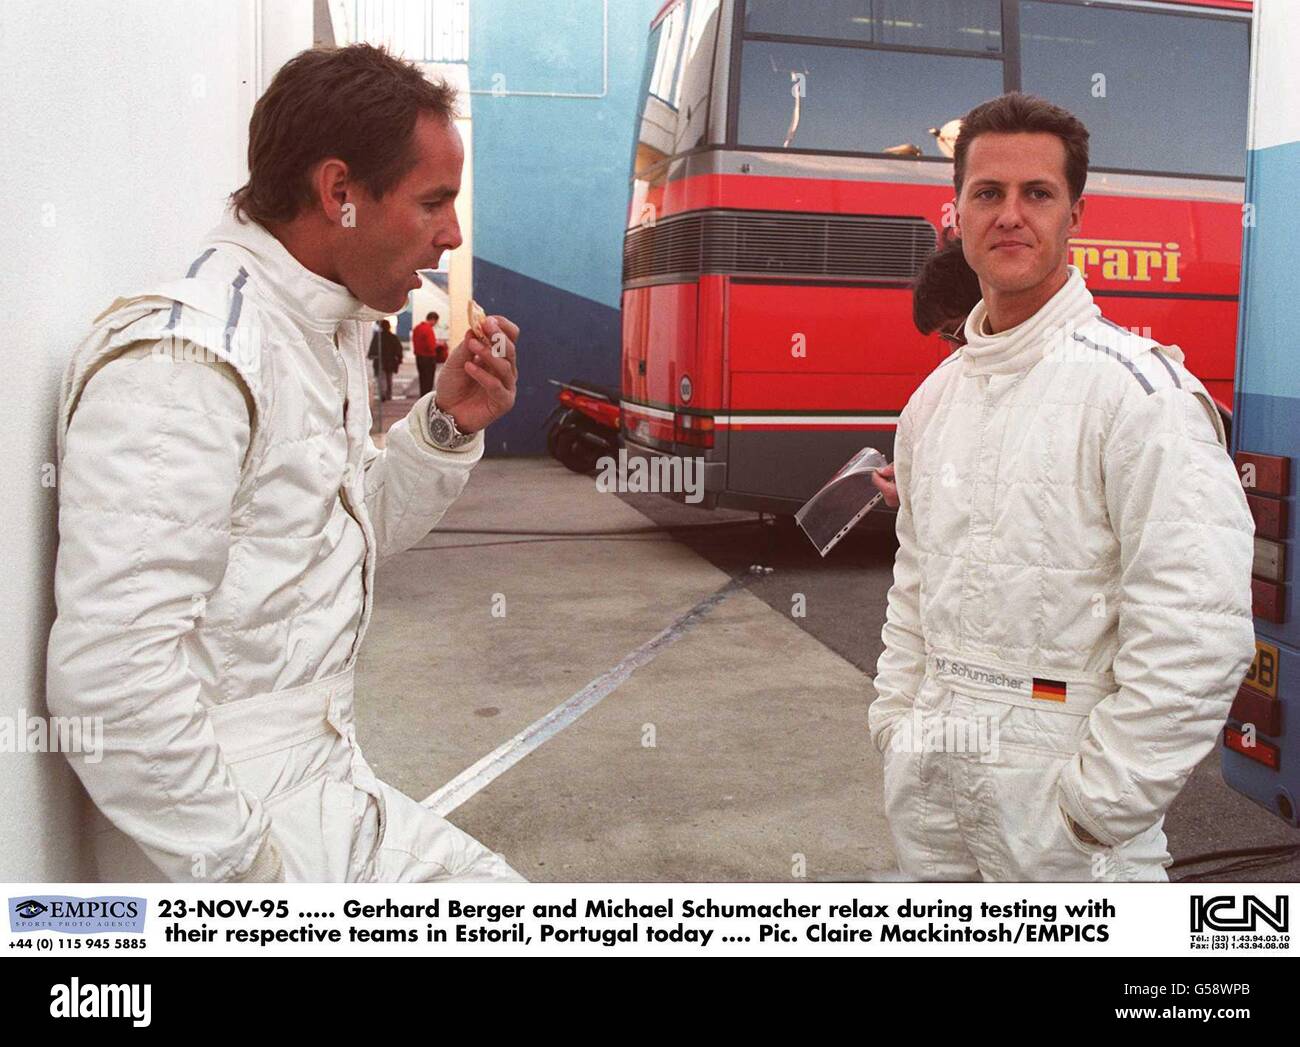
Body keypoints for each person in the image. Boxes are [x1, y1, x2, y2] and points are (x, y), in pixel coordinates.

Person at [47, 44, 524, 883]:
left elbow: (341, 532)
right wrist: (253, 885)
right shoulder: (187, 361)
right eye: (434, 201)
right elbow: (115, 683)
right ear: (340, 193)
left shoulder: (317, 330)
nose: (452, 233)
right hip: (229, 829)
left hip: (319, 784)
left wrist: (445, 426)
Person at [866, 92, 1255, 881]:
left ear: (1075, 214)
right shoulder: (931, 404)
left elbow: (1197, 631)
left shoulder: (1138, 394)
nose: (1010, 215)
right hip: (933, 814)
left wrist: (1093, 810)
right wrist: (896, 724)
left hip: (1068, 839)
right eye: (988, 193)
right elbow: (913, 592)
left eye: (1037, 193)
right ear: (957, 213)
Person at [412, 310, 440, 397]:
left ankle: (422, 396)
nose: (435, 324)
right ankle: (427, 398)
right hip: (428, 358)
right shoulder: (428, 329)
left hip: (419, 357)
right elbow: (431, 345)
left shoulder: (417, 328)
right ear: (433, 320)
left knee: (422, 379)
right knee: (428, 381)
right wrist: (437, 346)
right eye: (436, 322)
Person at [377, 318, 404, 400]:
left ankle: (382, 394)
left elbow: (373, 349)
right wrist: (399, 358)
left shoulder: (378, 337)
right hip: (391, 361)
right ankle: (388, 394)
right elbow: (399, 349)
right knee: (389, 378)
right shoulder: (393, 337)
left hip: (381, 360)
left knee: (382, 378)